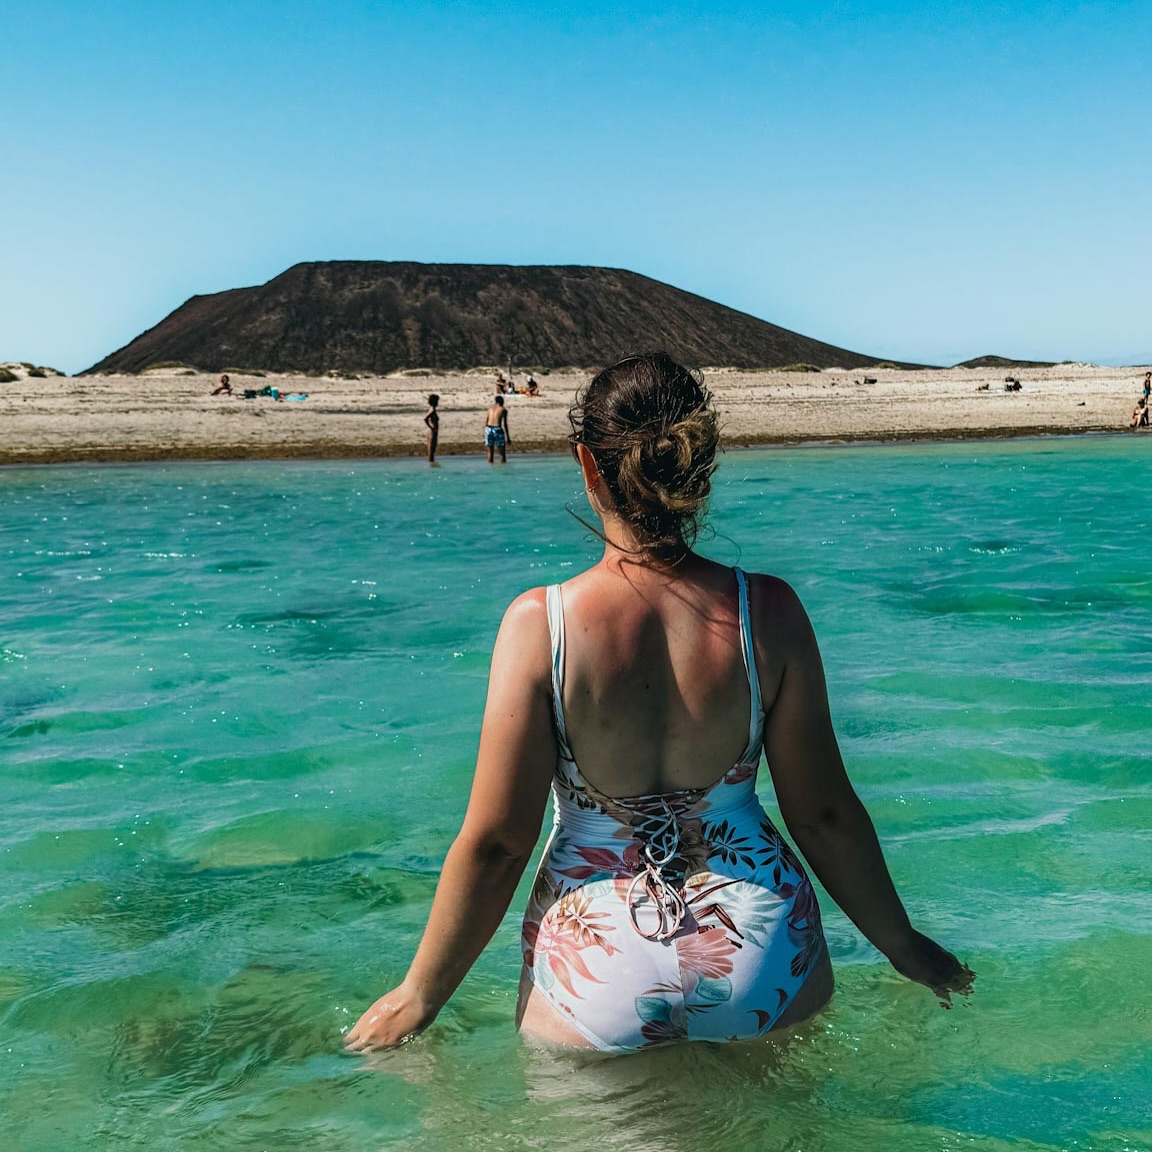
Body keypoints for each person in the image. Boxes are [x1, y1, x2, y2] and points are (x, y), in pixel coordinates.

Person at [344, 352, 973, 1056]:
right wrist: (901, 942)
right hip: (759, 946)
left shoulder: (539, 626)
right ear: (702, 464)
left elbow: (497, 844)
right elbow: (823, 815)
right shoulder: (766, 611)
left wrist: (419, 995)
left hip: (595, 965)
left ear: (587, 464)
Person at [484, 395, 510, 464]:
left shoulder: (490, 409)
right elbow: (505, 424)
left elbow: (486, 421)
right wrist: (508, 437)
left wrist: (485, 433)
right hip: (497, 429)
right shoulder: (503, 409)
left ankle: (490, 466)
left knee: (490, 452)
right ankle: (503, 467)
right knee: (502, 453)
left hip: (488, 429)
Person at [424, 394, 440, 464]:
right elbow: (425, 419)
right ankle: (431, 465)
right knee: (431, 453)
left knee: (430, 452)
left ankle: (431, 466)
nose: (438, 403)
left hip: (431, 432)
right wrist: (432, 427)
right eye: (437, 401)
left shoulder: (431, 409)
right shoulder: (432, 410)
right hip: (432, 433)